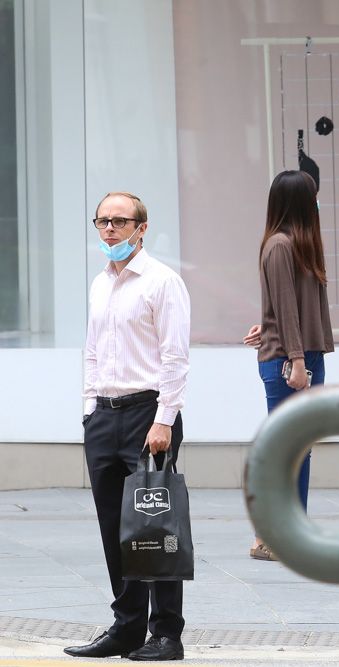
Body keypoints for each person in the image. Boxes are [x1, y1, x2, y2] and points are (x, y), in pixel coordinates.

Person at [65, 192, 190, 661]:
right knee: (114, 529)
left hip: (147, 416)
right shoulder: (101, 284)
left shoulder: (162, 282)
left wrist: (164, 419)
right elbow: (92, 351)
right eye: (102, 221)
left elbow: (175, 357)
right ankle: (127, 627)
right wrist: (88, 411)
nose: (110, 229)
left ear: (142, 227)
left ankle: (166, 634)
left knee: (155, 529)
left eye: (121, 221)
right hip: (104, 416)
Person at [242, 171, 334, 561]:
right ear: (300, 201)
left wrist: (271, 325)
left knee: (300, 448)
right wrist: (296, 359)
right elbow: (285, 305)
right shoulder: (280, 246)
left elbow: (290, 306)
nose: (317, 202)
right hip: (290, 361)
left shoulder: (300, 245)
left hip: (305, 355)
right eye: (312, 196)